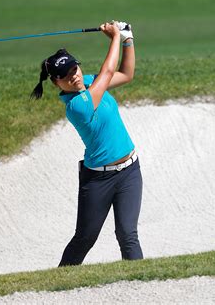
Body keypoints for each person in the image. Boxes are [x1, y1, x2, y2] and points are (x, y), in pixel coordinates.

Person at [31, 21, 143, 266]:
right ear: (56, 83)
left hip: (130, 171)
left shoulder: (90, 82)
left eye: (75, 69)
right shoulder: (76, 106)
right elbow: (107, 73)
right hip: (98, 180)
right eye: (66, 75)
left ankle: (141, 285)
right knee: (85, 238)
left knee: (128, 234)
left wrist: (127, 40)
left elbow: (126, 74)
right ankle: (57, 287)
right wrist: (114, 37)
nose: (74, 76)